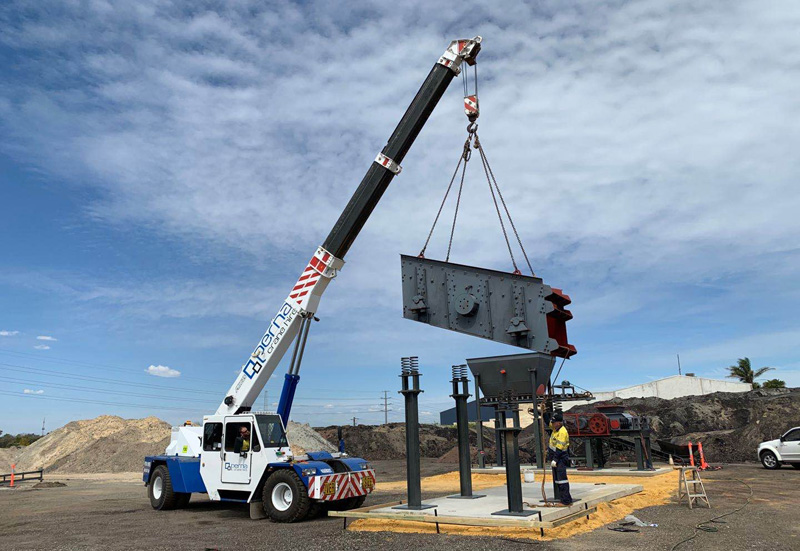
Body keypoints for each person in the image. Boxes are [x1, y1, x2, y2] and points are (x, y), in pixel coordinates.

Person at [546, 412, 573, 505]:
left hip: (560, 457)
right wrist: (543, 412)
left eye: (554, 422)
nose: (552, 424)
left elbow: (559, 448)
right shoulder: (555, 428)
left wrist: (555, 459)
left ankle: (566, 501)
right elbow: (547, 422)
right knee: (558, 480)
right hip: (556, 457)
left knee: (562, 480)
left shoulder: (562, 432)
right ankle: (565, 499)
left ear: (559, 423)